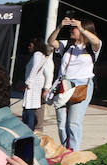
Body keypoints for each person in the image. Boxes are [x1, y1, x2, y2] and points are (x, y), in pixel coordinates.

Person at [50, 16, 102, 152]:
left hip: (81, 86)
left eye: (74, 29)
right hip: (64, 85)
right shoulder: (67, 44)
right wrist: (60, 26)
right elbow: (50, 42)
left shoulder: (91, 47)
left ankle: (73, 152)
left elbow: (97, 41)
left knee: (73, 123)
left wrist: (81, 27)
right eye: (72, 28)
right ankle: (65, 150)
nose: (72, 30)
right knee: (62, 123)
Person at [21, 38, 55, 133]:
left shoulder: (37, 55)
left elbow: (35, 69)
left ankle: (28, 130)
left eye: (30, 45)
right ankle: (28, 129)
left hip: (33, 85)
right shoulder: (41, 56)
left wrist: (28, 82)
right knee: (30, 108)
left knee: (30, 109)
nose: (29, 47)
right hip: (35, 84)